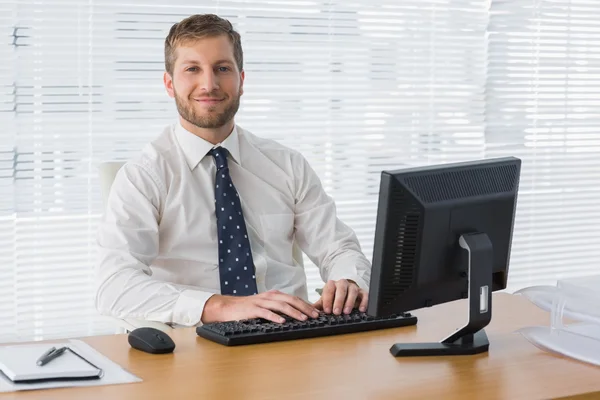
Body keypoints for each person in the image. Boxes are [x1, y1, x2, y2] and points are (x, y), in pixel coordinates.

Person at [95, 14, 371, 327]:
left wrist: (348, 280)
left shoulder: (286, 165)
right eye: (192, 69)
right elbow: (113, 287)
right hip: (193, 345)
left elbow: (339, 248)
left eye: (222, 68)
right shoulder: (144, 176)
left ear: (241, 79)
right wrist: (220, 307)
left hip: (288, 336)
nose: (209, 84)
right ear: (169, 84)